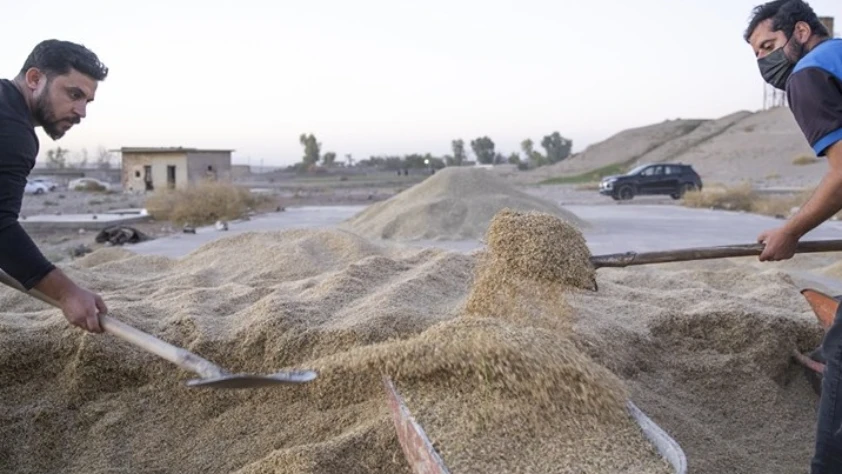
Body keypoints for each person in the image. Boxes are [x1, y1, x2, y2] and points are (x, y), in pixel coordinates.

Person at [745, 1, 842, 471]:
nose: (765, 62)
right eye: (757, 54)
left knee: (840, 356)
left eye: (768, 46)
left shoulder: (808, 74)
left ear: (801, 30)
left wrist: (791, 230)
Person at [0, 40, 110, 334]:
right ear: (35, 79)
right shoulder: (11, 130)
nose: (81, 111)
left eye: (87, 101)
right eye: (74, 94)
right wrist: (67, 293)